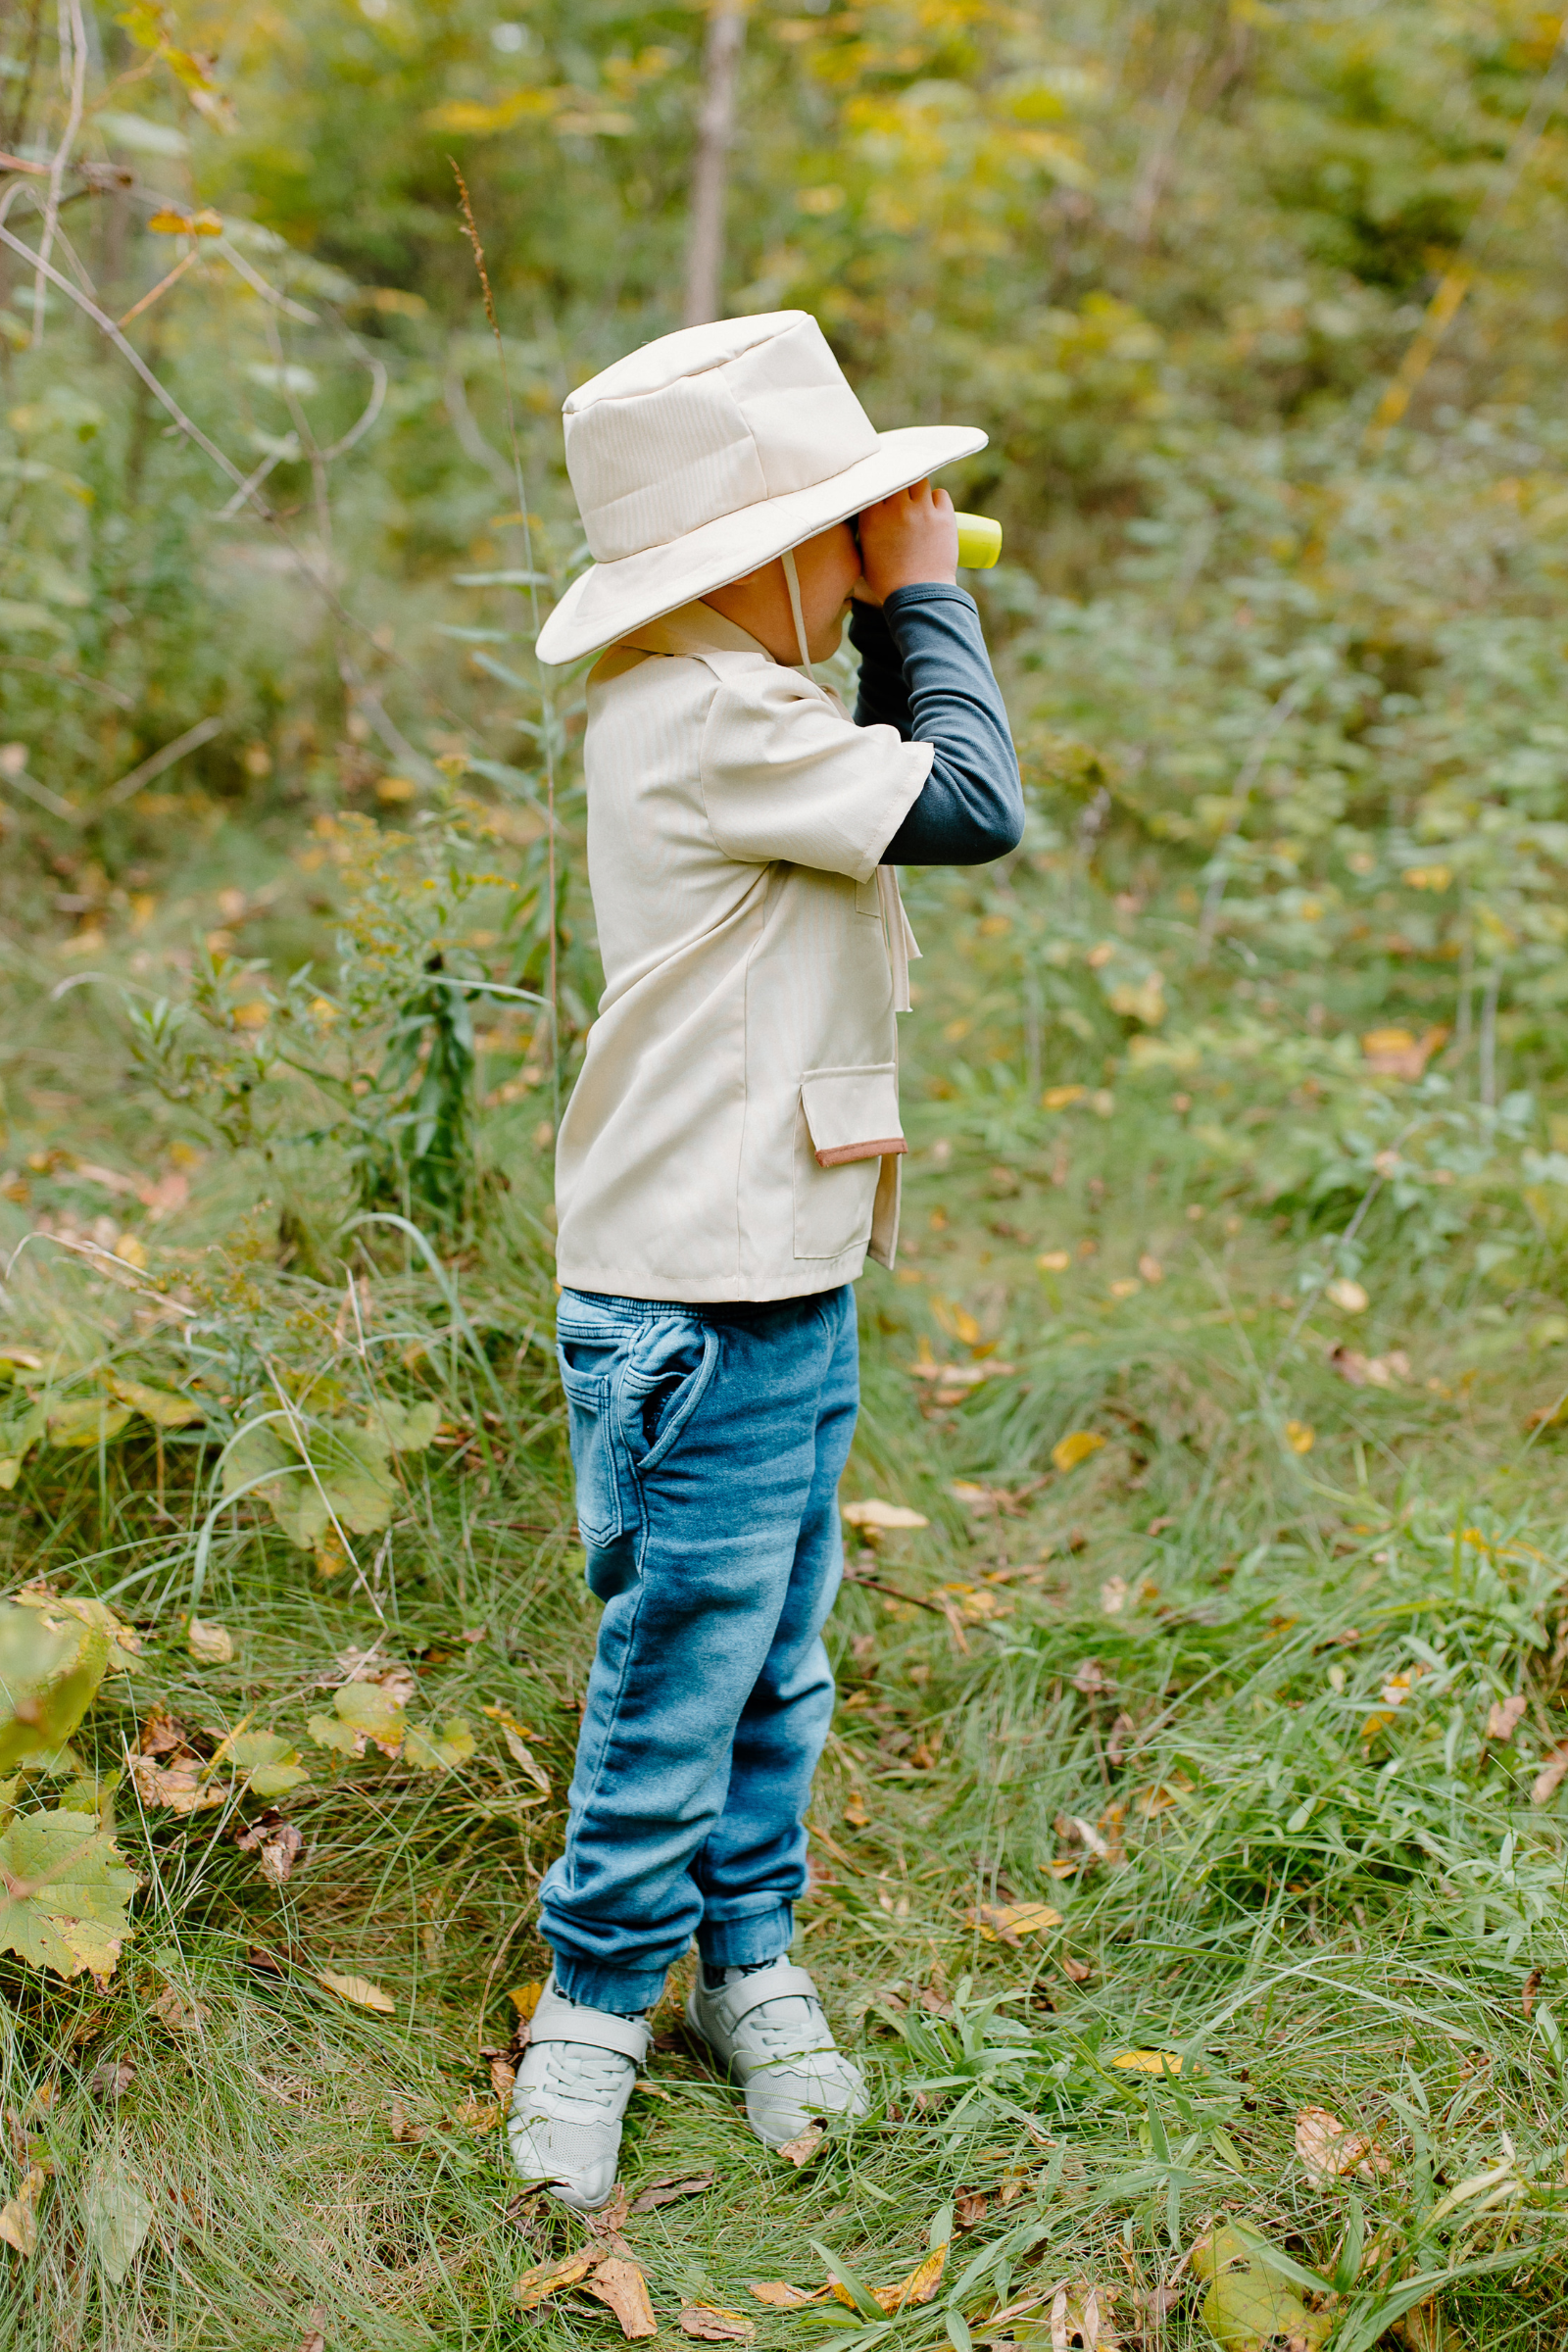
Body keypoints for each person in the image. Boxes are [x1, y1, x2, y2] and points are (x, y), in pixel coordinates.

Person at [509, 311, 1021, 2209]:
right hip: (695, 1310)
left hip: (775, 1273)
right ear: (771, 563)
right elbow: (968, 798)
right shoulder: (708, 717)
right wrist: (927, 595)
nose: (875, 551)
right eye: (845, 531)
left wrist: (877, 578)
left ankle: (745, 1957)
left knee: (769, 1661)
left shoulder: (734, 705)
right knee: (680, 1667)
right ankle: (591, 2003)